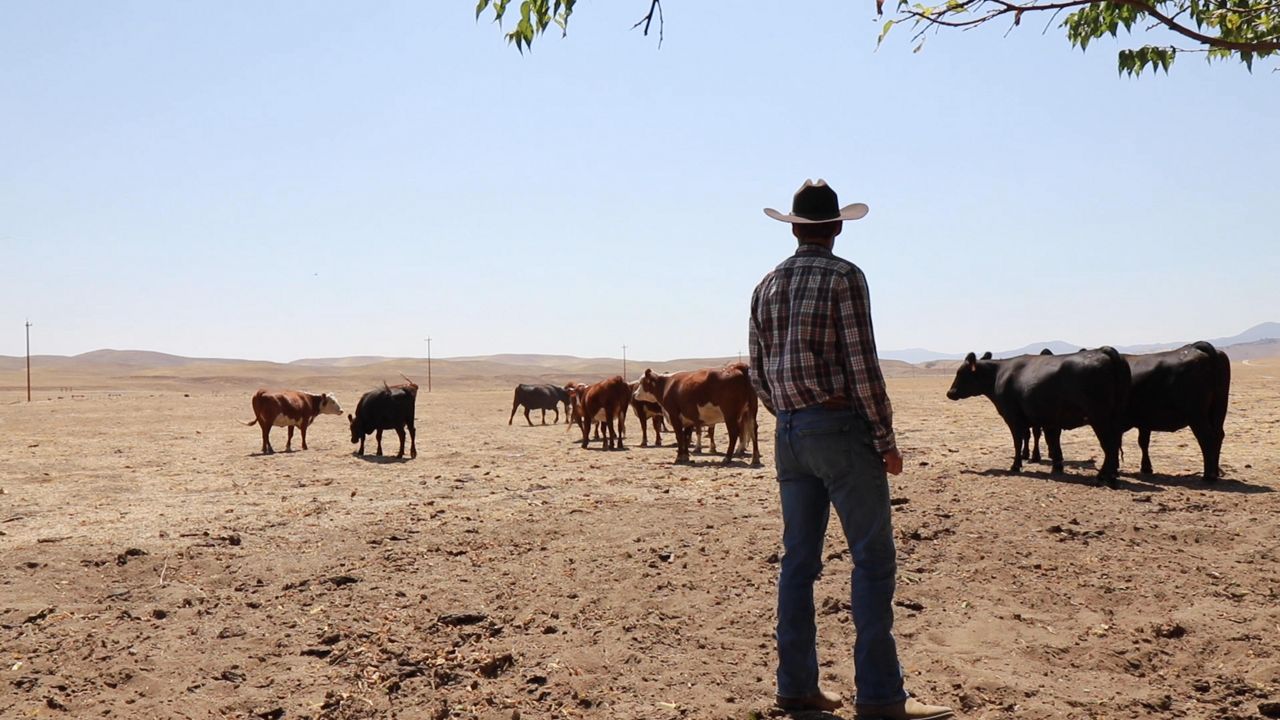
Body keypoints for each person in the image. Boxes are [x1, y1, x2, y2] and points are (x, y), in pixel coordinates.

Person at [749, 179, 953, 720]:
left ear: (795, 227)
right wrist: (885, 439)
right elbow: (863, 366)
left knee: (797, 563)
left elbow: (758, 370)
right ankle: (882, 698)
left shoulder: (766, 284)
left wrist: (790, 415)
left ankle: (796, 687)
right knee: (872, 560)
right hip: (840, 430)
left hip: (789, 434)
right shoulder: (845, 276)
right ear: (837, 226)